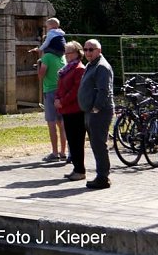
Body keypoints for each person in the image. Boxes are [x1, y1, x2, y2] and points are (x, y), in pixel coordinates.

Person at [77, 38, 115, 189]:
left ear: (99, 51)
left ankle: (103, 177)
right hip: (90, 111)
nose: (87, 53)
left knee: (99, 144)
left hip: (100, 112)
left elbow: (104, 90)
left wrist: (96, 108)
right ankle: (101, 175)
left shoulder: (101, 67)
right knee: (95, 144)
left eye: (91, 50)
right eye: (85, 50)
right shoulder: (91, 65)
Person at [54, 41, 86, 180]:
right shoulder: (66, 68)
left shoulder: (79, 68)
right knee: (71, 141)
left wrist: (62, 101)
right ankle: (76, 169)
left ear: (77, 53)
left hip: (75, 110)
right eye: (65, 52)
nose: (66, 55)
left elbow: (76, 90)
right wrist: (57, 98)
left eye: (69, 52)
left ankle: (80, 170)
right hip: (66, 109)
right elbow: (60, 86)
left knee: (77, 141)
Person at [39, 41, 67, 162]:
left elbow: (40, 75)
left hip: (50, 91)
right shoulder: (63, 56)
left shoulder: (47, 57)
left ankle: (54, 153)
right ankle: (63, 152)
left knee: (51, 123)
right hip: (61, 91)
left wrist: (39, 63)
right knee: (62, 123)